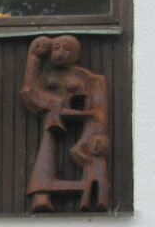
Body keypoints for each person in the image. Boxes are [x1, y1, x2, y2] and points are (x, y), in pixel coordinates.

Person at [21, 35, 109, 211]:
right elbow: (30, 93)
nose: (60, 53)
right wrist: (34, 58)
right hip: (51, 123)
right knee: (46, 146)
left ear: (75, 54)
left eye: (66, 49)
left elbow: (98, 112)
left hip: (79, 124)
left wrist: (85, 141)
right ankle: (42, 194)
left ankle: (94, 198)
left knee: (90, 159)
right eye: (56, 48)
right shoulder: (45, 73)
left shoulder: (88, 78)